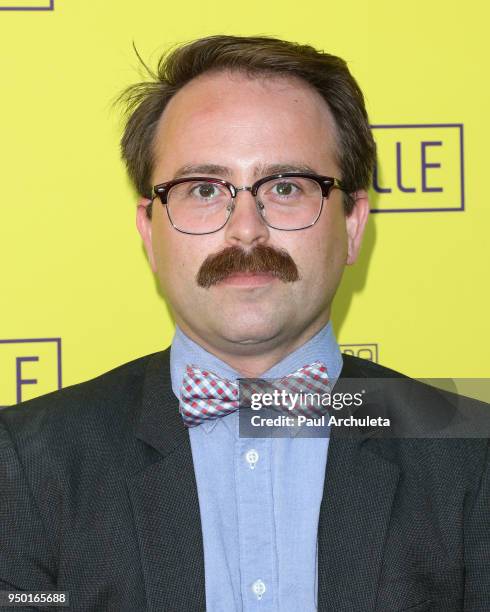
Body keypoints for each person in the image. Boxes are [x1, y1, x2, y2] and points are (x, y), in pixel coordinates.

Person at [0, 35, 488, 612]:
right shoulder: (28, 461)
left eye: (285, 187)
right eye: (204, 190)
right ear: (148, 231)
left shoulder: (472, 453)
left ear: (354, 223)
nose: (246, 230)